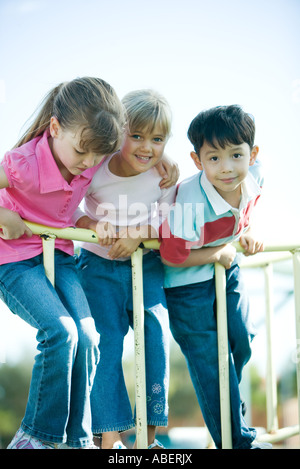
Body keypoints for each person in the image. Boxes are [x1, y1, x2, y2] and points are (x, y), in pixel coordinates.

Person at [0, 77, 126, 449]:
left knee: (88, 338)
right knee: (61, 333)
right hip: (16, 261)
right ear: (55, 128)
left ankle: (79, 441)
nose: (89, 164)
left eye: (98, 157)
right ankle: (34, 437)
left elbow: (69, 213)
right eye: (82, 152)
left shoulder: (91, 157)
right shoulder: (22, 164)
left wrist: (91, 224)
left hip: (62, 257)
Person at [159, 105, 270, 449]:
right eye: (214, 159)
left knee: (242, 339)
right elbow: (171, 255)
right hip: (186, 286)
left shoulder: (255, 176)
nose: (227, 168)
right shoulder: (190, 200)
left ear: (251, 155)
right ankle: (238, 441)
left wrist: (247, 232)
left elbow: (242, 216)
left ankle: (227, 408)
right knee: (211, 362)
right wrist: (218, 253)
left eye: (236, 155)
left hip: (225, 269)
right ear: (197, 161)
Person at [76, 89, 176, 449]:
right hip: (96, 266)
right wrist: (89, 221)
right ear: (119, 132)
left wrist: (137, 234)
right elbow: (68, 204)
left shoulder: (163, 176)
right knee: (104, 342)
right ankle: (109, 438)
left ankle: (146, 438)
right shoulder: (96, 167)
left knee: (154, 333)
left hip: (144, 264)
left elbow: (166, 220)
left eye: (157, 139)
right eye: (136, 136)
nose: (146, 147)